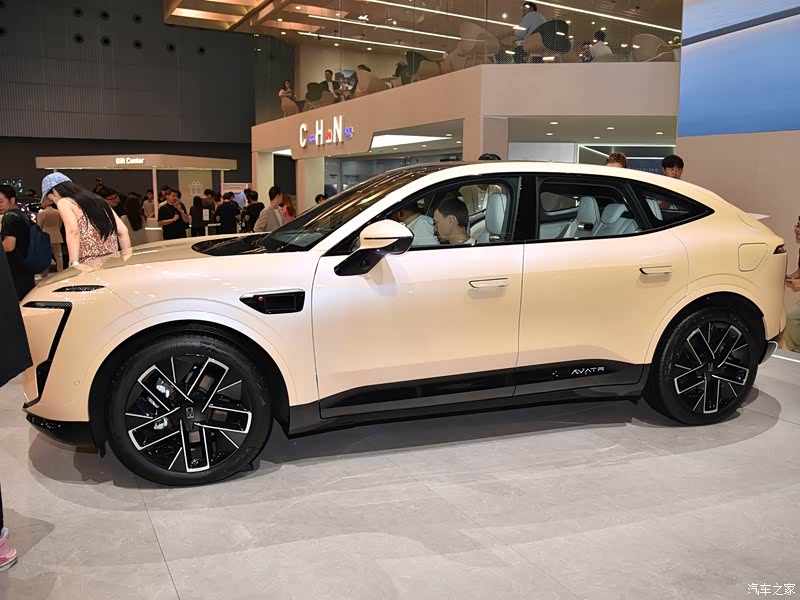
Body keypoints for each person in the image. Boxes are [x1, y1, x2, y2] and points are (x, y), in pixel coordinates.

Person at [41, 173, 131, 265]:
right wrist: (127, 258)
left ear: (54, 191)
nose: (54, 202)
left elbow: (73, 232)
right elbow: (123, 231)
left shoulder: (64, 202)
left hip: (88, 264)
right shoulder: (98, 200)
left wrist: (74, 263)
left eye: (50, 198)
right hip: (112, 262)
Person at [0, 185, 35, 299]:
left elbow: (9, 246)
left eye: (1, 202)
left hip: (15, 270)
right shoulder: (22, 215)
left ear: (12, 200)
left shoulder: (9, 216)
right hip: (26, 267)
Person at [36, 196, 64, 273]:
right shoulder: (58, 212)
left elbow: (39, 226)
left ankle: (44, 273)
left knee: (45, 256)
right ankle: (60, 271)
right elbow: (60, 224)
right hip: (57, 236)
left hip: (45, 236)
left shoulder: (42, 213)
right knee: (59, 256)